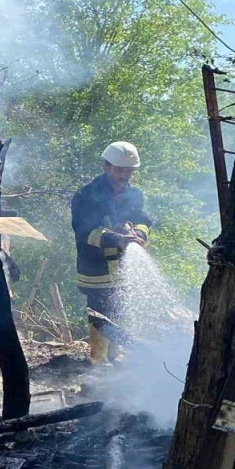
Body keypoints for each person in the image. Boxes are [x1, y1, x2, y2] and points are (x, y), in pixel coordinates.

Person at [71, 141, 153, 365]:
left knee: (121, 309)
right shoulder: (85, 196)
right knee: (99, 313)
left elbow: (142, 219)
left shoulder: (135, 194)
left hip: (123, 266)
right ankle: (98, 360)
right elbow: (84, 232)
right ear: (105, 167)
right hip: (95, 268)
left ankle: (117, 357)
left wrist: (138, 234)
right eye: (120, 169)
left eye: (129, 170)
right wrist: (116, 239)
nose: (124, 175)